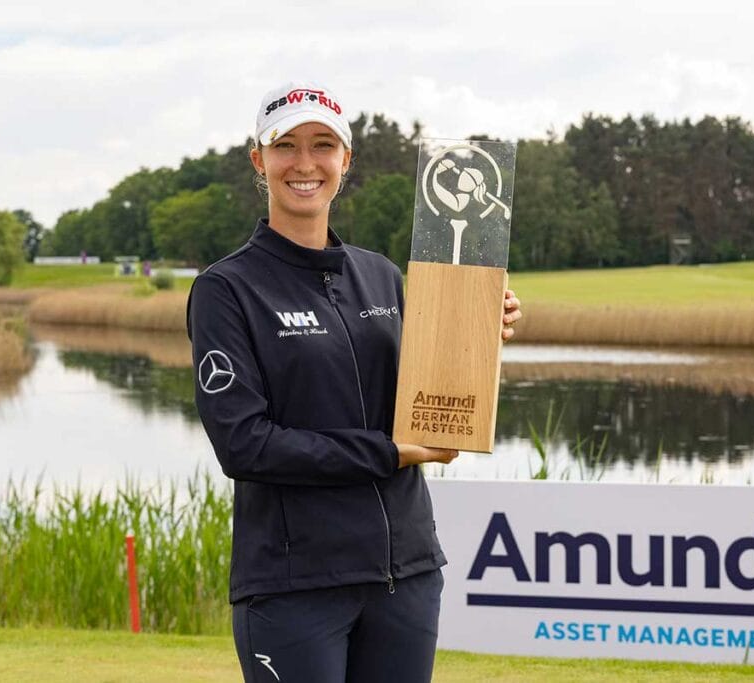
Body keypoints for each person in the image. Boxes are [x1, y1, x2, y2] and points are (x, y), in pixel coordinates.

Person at [186, 81, 522, 683]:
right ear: (259, 161)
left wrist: (472, 337)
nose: (305, 163)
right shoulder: (226, 289)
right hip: (296, 585)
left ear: (347, 160)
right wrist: (388, 452)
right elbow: (246, 444)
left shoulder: (381, 275)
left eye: (323, 145)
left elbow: (422, 399)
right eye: (286, 146)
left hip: (407, 573)